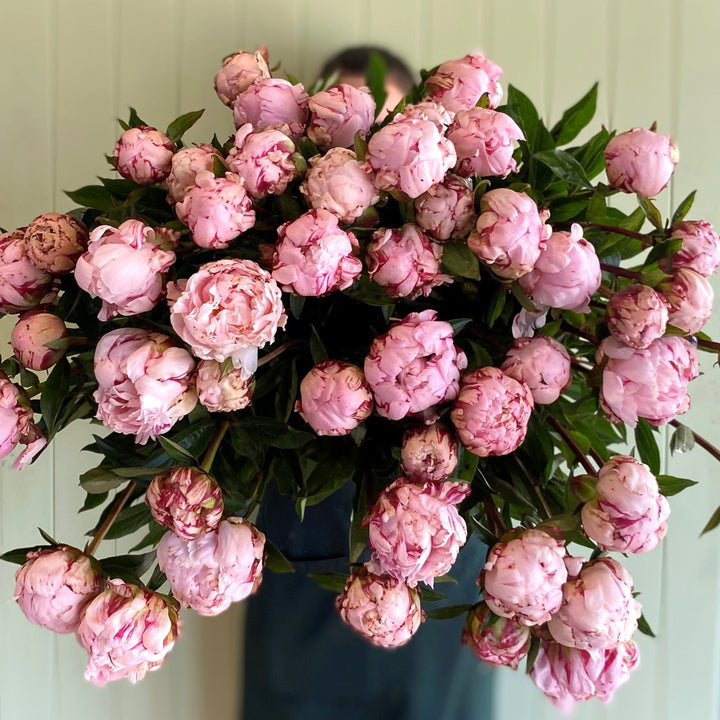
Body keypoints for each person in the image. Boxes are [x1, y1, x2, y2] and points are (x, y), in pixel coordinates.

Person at [242, 47, 495, 720]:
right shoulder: (268, 253)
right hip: (306, 580)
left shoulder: (479, 260)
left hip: (441, 580)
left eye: (383, 122)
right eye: (344, 118)